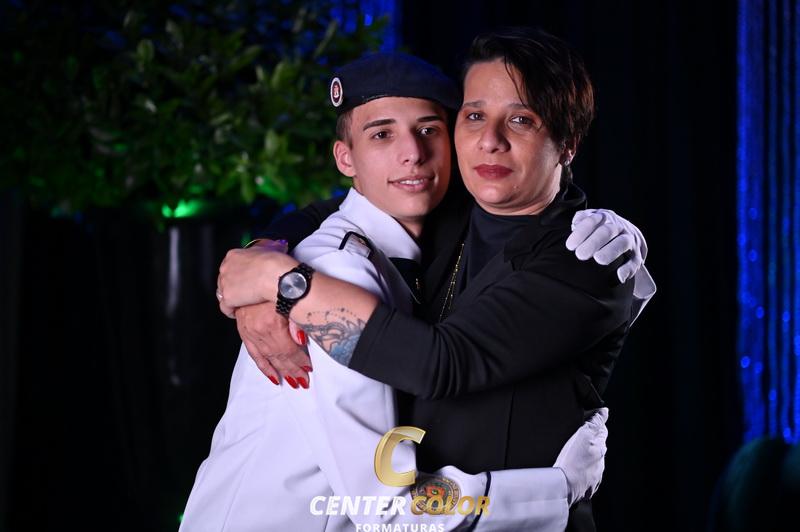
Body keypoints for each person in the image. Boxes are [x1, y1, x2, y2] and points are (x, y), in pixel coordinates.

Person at [216, 28, 654, 531]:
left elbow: (440, 364)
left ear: (568, 144)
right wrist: (261, 254)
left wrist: (287, 285)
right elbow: (346, 203)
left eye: (521, 119)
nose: (490, 140)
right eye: (474, 116)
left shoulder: (587, 258)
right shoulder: (439, 215)